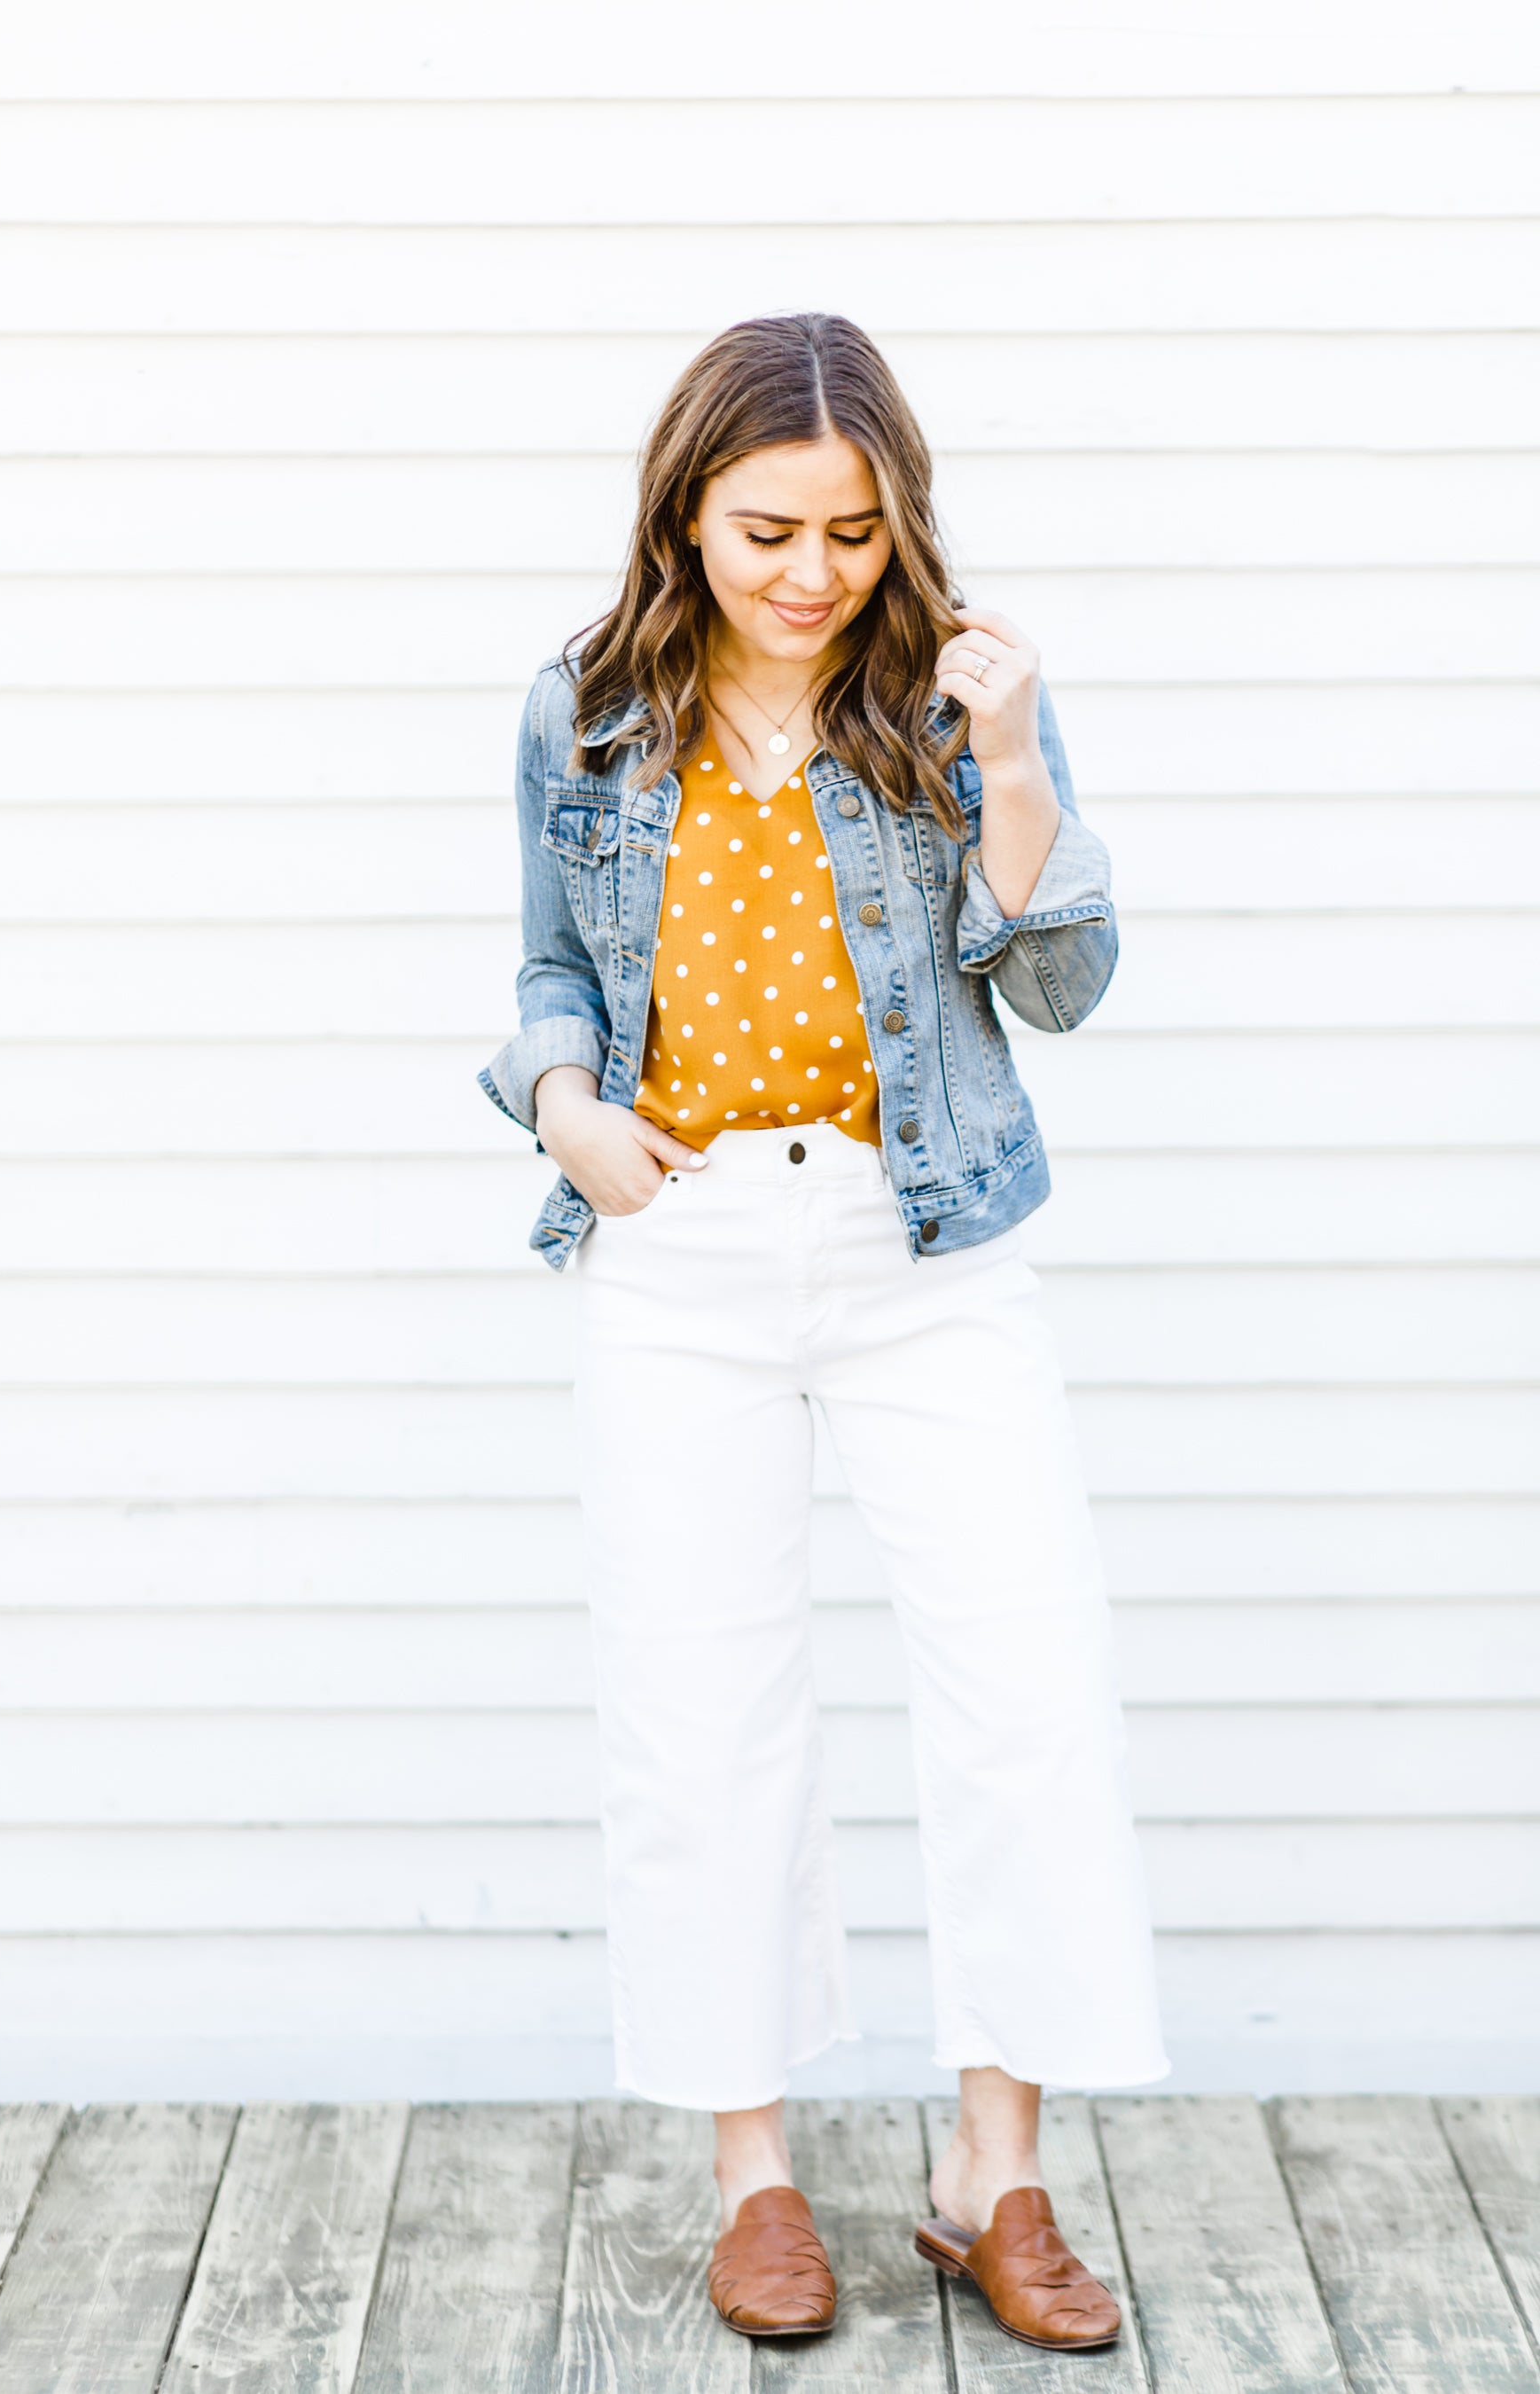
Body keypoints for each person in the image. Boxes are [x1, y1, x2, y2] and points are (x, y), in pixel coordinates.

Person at [481, 311, 1168, 2349]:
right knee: (706, 1722)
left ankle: (994, 2172)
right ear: (686, 510)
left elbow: (1059, 990)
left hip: (926, 1247)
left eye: (855, 532)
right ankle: (757, 2175)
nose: (812, 572)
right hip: (677, 1255)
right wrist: (562, 1108)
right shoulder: (584, 711)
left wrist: (1021, 761)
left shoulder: (952, 705)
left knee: (1023, 1694)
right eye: (769, 526)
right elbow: (545, 964)